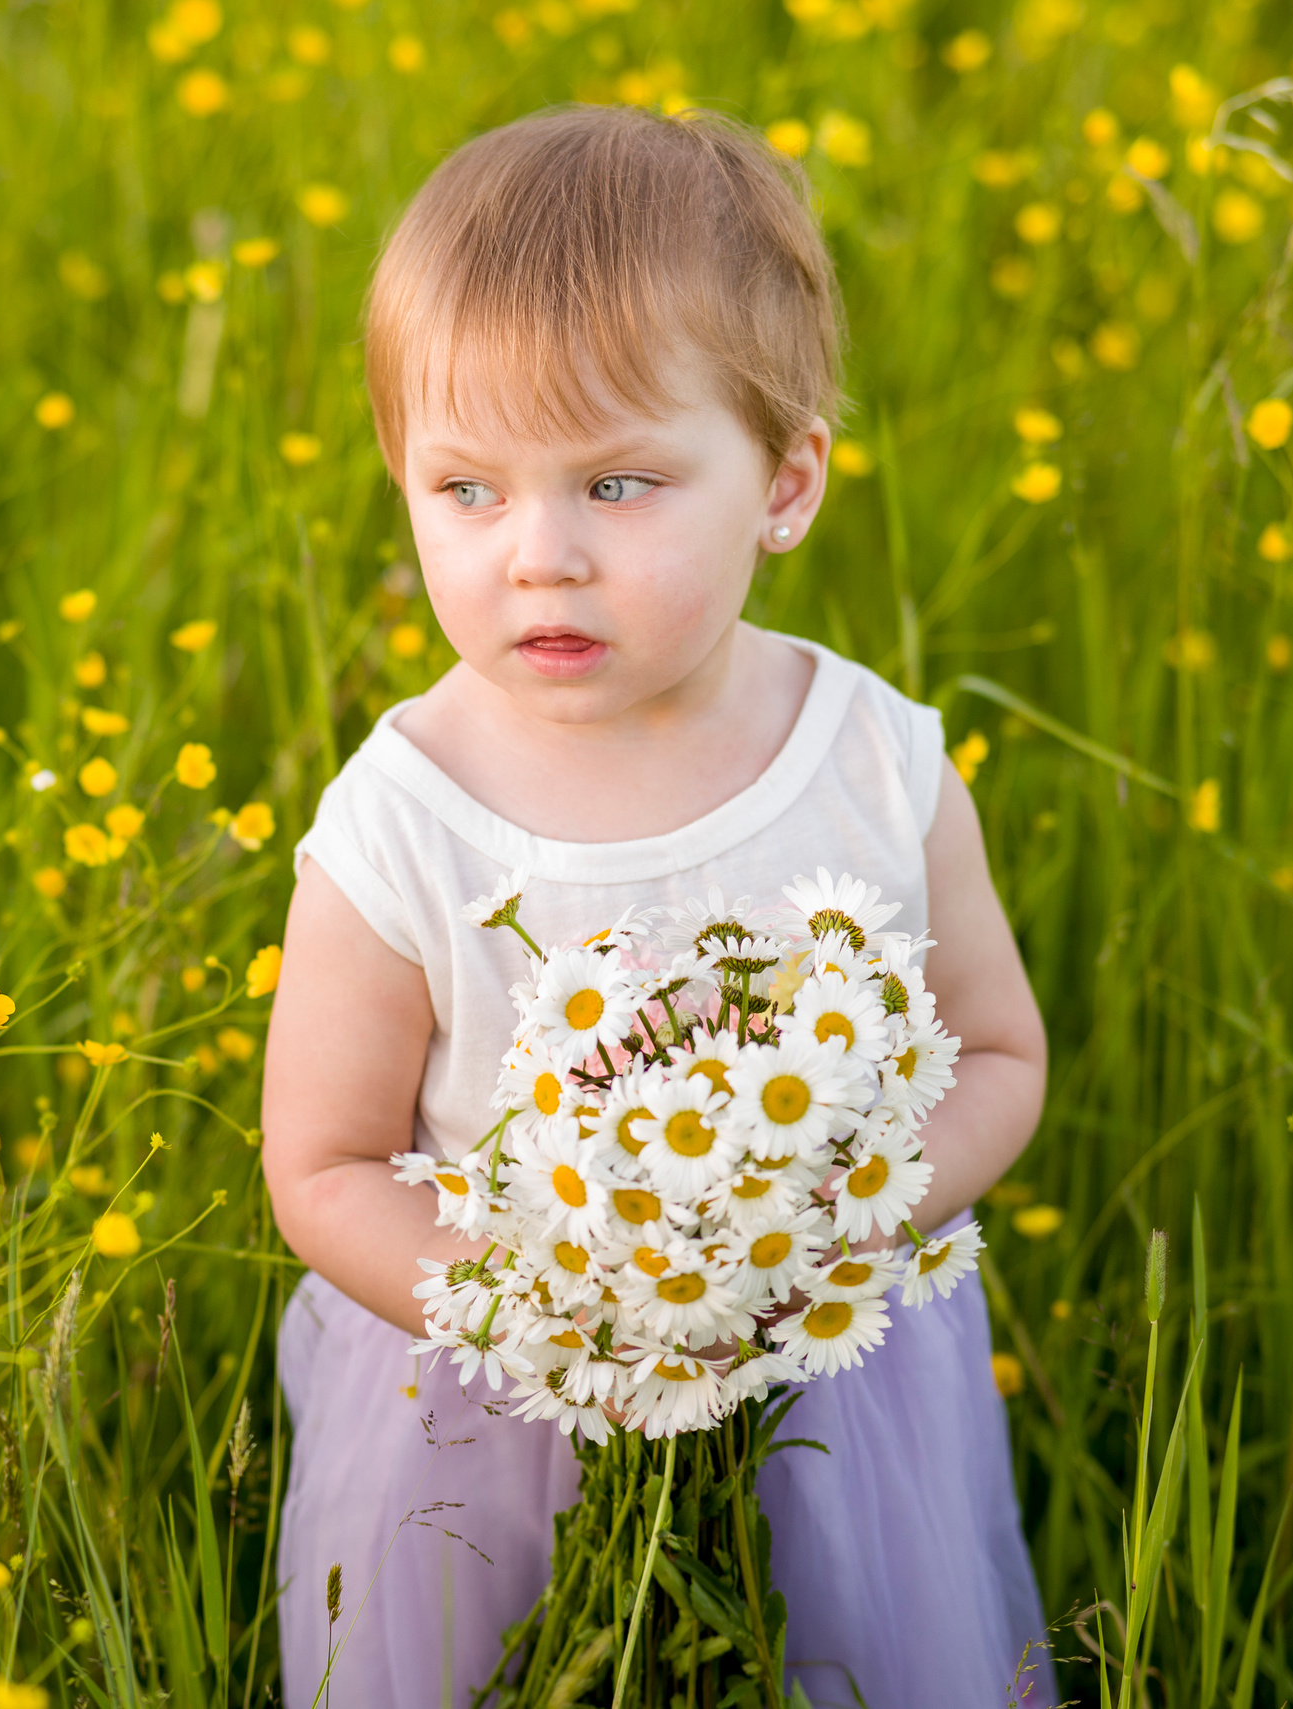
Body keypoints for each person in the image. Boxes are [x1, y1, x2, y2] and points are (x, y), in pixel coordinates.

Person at [259, 103, 1056, 1709]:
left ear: (784, 481)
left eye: (619, 484)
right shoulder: (404, 817)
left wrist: (833, 1243)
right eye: (466, 488)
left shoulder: (871, 766)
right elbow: (324, 1164)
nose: (538, 556)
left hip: (831, 1338)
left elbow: (997, 1054)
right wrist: (557, 1323)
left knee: (868, 1653)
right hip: (482, 1369)